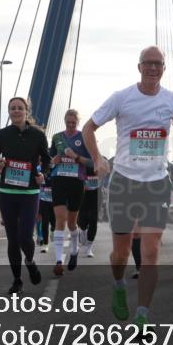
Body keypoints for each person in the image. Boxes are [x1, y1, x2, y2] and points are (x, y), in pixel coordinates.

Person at [82, 46, 173, 325]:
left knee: (151, 251)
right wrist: (97, 159)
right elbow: (88, 128)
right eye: (148, 63)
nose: (153, 68)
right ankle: (118, 286)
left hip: (156, 184)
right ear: (139, 67)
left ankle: (142, 315)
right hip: (123, 182)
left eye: (158, 64)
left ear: (164, 68)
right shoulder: (122, 98)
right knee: (122, 252)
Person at [0, 96, 50, 295]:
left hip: (29, 192)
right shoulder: (2, 134)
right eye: (12, 108)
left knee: (24, 236)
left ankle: (29, 261)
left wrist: (42, 175)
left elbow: (47, 160)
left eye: (19, 108)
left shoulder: (38, 135)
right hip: (7, 192)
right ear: (9, 111)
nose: (16, 111)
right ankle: (17, 280)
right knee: (12, 239)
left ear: (26, 111)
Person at [49, 109, 93, 275]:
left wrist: (76, 157)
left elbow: (91, 162)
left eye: (73, 123)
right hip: (59, 180)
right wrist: (54, 161)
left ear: (78, 123)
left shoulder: (83, 137)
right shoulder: (57, 138)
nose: (70, 125)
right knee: (60, 218)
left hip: (76, 181)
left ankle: (74, 251)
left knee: (72, 223)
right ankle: (59, 260)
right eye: (68, 122)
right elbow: (49, 160)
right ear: (64, 121)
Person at [77, 166, 100, 258]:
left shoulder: (99, 161)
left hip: (96, 195)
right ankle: (82, 230)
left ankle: (89, 248)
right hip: (83, 196)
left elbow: (106, 171)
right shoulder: (81, 161)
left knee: (93, 220)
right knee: (82, 220)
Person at [37, 171, 55, 253]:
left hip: (55, 200)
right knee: (45, 222)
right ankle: (45, 244)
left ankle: (53, 230)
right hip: (44, 200)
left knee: (54, 222)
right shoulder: (40, 170)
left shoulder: (57, 168)